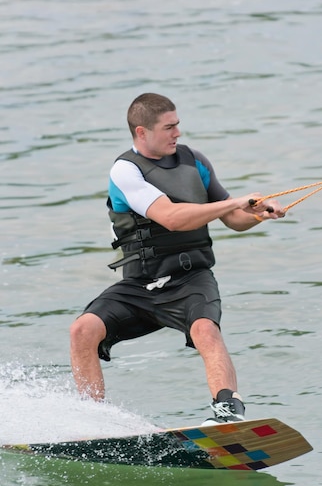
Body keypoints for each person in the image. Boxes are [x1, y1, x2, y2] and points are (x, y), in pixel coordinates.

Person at [70, 93, 285, 424]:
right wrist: (235, 202)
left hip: (191, 278)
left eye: (178, 125)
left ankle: (228, 414)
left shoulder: (194, 161)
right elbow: (171, 217)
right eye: (169, 127)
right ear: (142, 132)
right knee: (83, 330)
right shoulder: (126, 171)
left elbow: (234, 220)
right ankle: (90, 420)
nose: (177, 133)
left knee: (205, 330)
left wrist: (259, 215)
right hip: (141, 283)